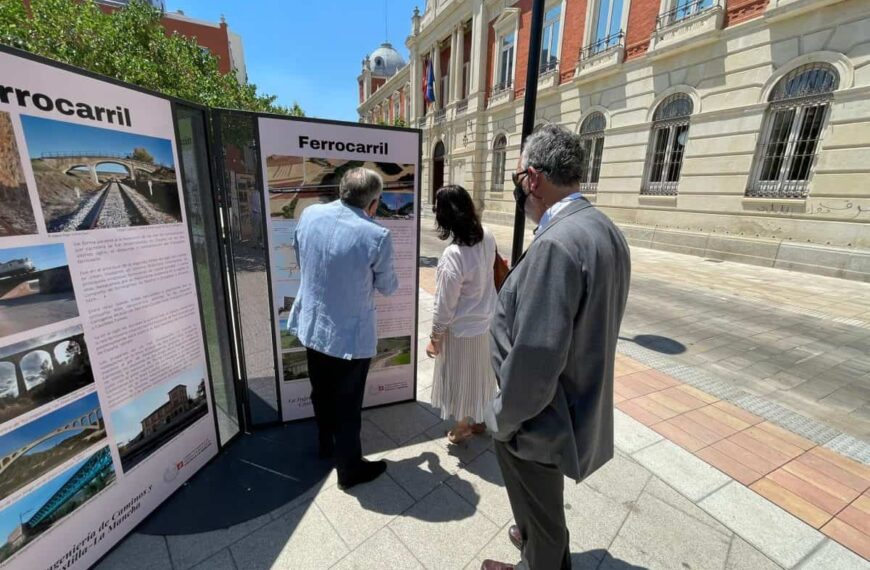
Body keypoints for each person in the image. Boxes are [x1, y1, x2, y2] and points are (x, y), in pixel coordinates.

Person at [482, 124, 631, 570]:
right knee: (543, 512)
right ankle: (538, 550)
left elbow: (536, 360)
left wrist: (501, 420)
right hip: (569, 410)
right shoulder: (604, 228)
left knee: (542, 521)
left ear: (532, 179)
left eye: (517, 182)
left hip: (538, 421)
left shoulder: (558, 244)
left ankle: (540, 560)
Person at [287, 167, 399, 491]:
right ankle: (348, 470)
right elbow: (389, 287)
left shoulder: (309, 215)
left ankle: (325, 443)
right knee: (347, 406)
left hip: (313, 325)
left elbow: (300, 253)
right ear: (374, 202)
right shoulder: (376, 235)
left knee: (320, 391)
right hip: (349, 336)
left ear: (342, 189)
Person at [426, 185, 498, 444]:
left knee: (460, 378)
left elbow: (444, 304)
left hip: (462, 330)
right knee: (480, 375)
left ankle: (461, 425)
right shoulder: (487, 236)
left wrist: (435, 336)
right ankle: (479, 419)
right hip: (486, 323)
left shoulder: (453, 255)